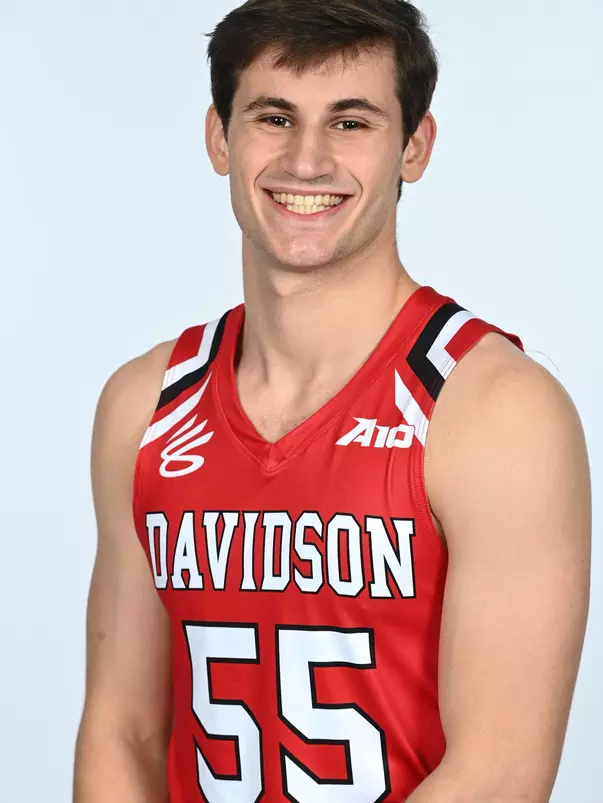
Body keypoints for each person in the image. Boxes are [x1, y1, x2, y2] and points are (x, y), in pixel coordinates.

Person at [73, 1, 592, 801]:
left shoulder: (494, 411)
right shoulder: (146, 403)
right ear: (219, 137)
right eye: (273, 116)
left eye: (350, 123)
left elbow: (499, 772)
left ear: (413, 149)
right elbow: (123, 727)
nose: (306, 159)